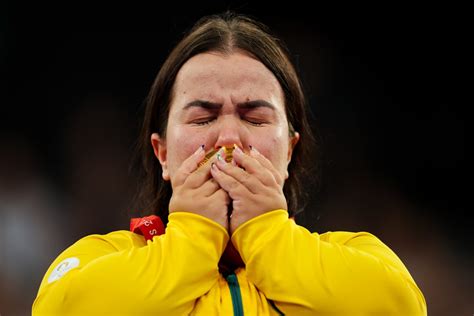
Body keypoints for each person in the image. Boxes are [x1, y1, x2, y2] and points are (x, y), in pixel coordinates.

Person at [32, 12, 427, 315]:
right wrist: (193, 237)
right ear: (163, 153)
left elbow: (402, 305)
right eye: (203, 118)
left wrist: (267, 233)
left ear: (289, 151)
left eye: (254, 118)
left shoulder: (356, 257)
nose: (229, 139)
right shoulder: (102, 259)